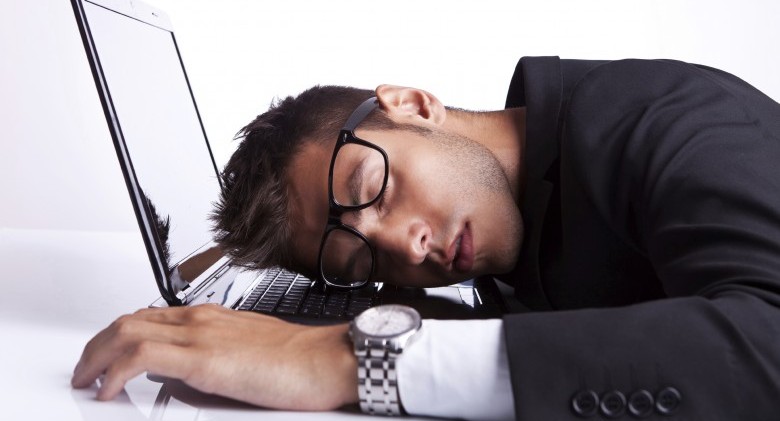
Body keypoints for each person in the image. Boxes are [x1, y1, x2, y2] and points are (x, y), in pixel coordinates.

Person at [72, 57, 780, 420]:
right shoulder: (521, 220)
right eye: (362, 258)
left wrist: (350, 357)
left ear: (412, 106)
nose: (408, 250)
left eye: (368, 188)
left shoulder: (671, 124)